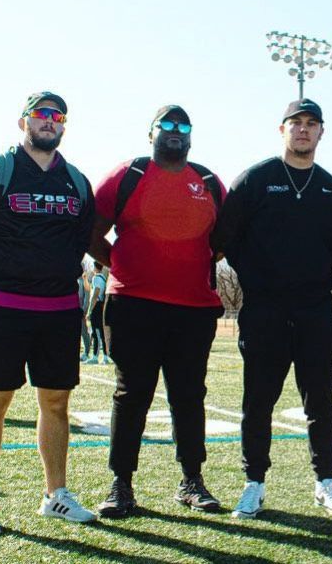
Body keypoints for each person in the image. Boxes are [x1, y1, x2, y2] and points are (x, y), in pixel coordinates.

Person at [0, 91, 97, 534]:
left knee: (56, 403)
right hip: (4, 309)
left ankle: (56, 496)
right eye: (41, 115)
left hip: (58, 311)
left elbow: (81, 240)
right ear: (24, 123)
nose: (49, 121)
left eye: (57, 116)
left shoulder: (76, 181)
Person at [211, 98, 332, 519]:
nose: (303, 130)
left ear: (322, 132)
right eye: (296, 123)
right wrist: (259, 278)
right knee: (258, 401)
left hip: (314, 310)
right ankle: (254, 483)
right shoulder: (255, 179)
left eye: (312, 123)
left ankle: (325, 481)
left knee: (321, 401)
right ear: (282, 129)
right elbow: (226, 239)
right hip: (264, 309)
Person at [88, 104, 226, 518]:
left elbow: (225, 239)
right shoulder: (127, 175)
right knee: (132, 394)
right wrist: (123, 264)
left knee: (189, 396)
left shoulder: (208, 182)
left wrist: (190, 264)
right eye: (166, 124)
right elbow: (91, 232)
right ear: (150, 133)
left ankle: (191, 481)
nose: (174, 131)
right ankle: (121, 484)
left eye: (183, 126)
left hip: (193, 311)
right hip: (132, 306)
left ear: (191, 136)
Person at [85, 262, 109, 364]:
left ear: (95, 267)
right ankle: (104, 356)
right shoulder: (104, 278)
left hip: (97, 307)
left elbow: (95, 294)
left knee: (96, 333)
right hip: (101, 306)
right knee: (100, 333)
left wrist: (90, 310)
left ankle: (96, 356)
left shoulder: (96, 278)